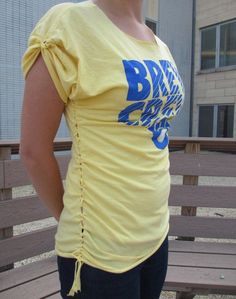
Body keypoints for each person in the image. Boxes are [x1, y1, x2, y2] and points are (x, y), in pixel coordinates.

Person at [20, 0, 185, 298]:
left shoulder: (159, 44)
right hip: (100, 252)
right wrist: (79, 222)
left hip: (156, 235)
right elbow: (33, 150)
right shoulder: (68, 24)